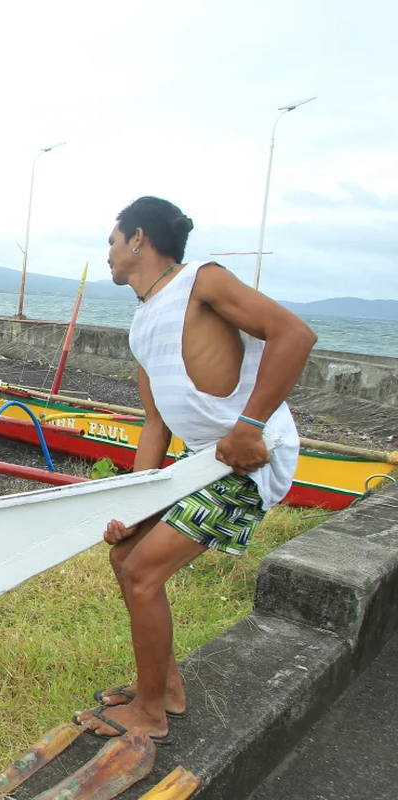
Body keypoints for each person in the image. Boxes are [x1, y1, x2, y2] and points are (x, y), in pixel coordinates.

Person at [74, 196, 315, 744]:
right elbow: (155, 423)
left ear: (138, 239)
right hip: (205, 459)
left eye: (112, 242)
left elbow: (295, 335)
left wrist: (249, 426)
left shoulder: (201, 281)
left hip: (251, 455)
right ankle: (164, 689)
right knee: (126, 555)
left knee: (142, 574)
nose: (108, 255)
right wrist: (137, 507)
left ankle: (151, 714)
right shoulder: (141, 321)